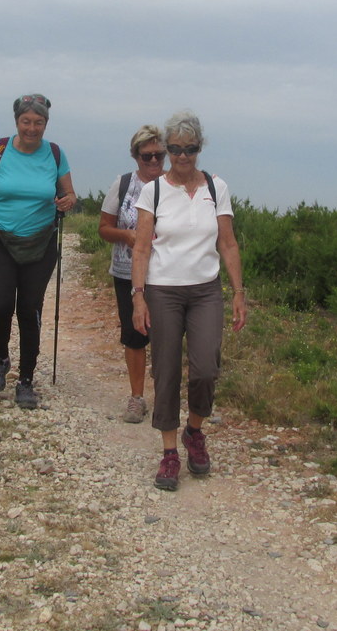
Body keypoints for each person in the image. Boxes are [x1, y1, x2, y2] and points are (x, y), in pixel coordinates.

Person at [131, 110, 247, 490]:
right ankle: (169, 453)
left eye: (190, 149)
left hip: (205, 290)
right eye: (176, 149)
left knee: (205, 368)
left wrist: (238, 294)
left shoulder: (217, 187)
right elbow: (142, 249)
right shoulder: (155, 191)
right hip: (164, 290)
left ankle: (194, 432)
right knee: (165, 370)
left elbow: (227, 243)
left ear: (200, 148)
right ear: (168, 149)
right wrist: (139, 297)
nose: (182, 156)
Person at [0, 94, 77, 409]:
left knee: (30, 310)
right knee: (0, 305)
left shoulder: (55, 154)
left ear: (46, 123)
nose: (31, 128)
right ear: (17, 122)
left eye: (38, 122)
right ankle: (1, 357)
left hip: (40, 241)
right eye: (26, 121)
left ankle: (26, 380)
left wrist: (67, 201)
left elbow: (69, 193)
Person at [98, 125, 166, 423]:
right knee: (135, 336)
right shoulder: (123, 184)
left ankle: (164, 398)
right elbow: (103, 228)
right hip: (127, 273)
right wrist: (127, 236)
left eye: (159, 155)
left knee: (167, 337)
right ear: (135, 155)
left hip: (166, 274)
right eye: (146, 156)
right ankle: (137, 398)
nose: (153, 162)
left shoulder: (175, 185)